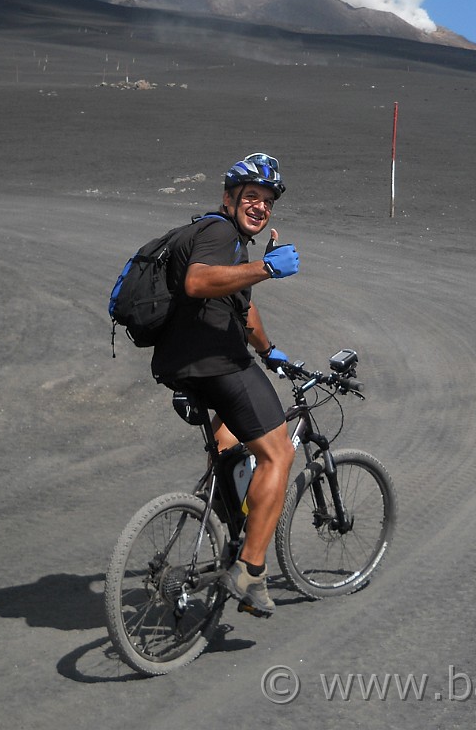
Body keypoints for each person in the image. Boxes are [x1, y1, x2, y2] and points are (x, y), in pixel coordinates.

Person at [151, 152, 300, 617]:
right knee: (279, 453)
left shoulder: (225, 242)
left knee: (230, 440)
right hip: (217, 364)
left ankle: (230, 529)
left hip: (182, 368)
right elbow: (198, 282)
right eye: (251, 197)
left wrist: (269, 350)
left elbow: (240, 307)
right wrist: (267, 268)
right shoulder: (219, 233)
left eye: (267, 202)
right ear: (227, 198)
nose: (260, 207)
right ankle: (251, 570)